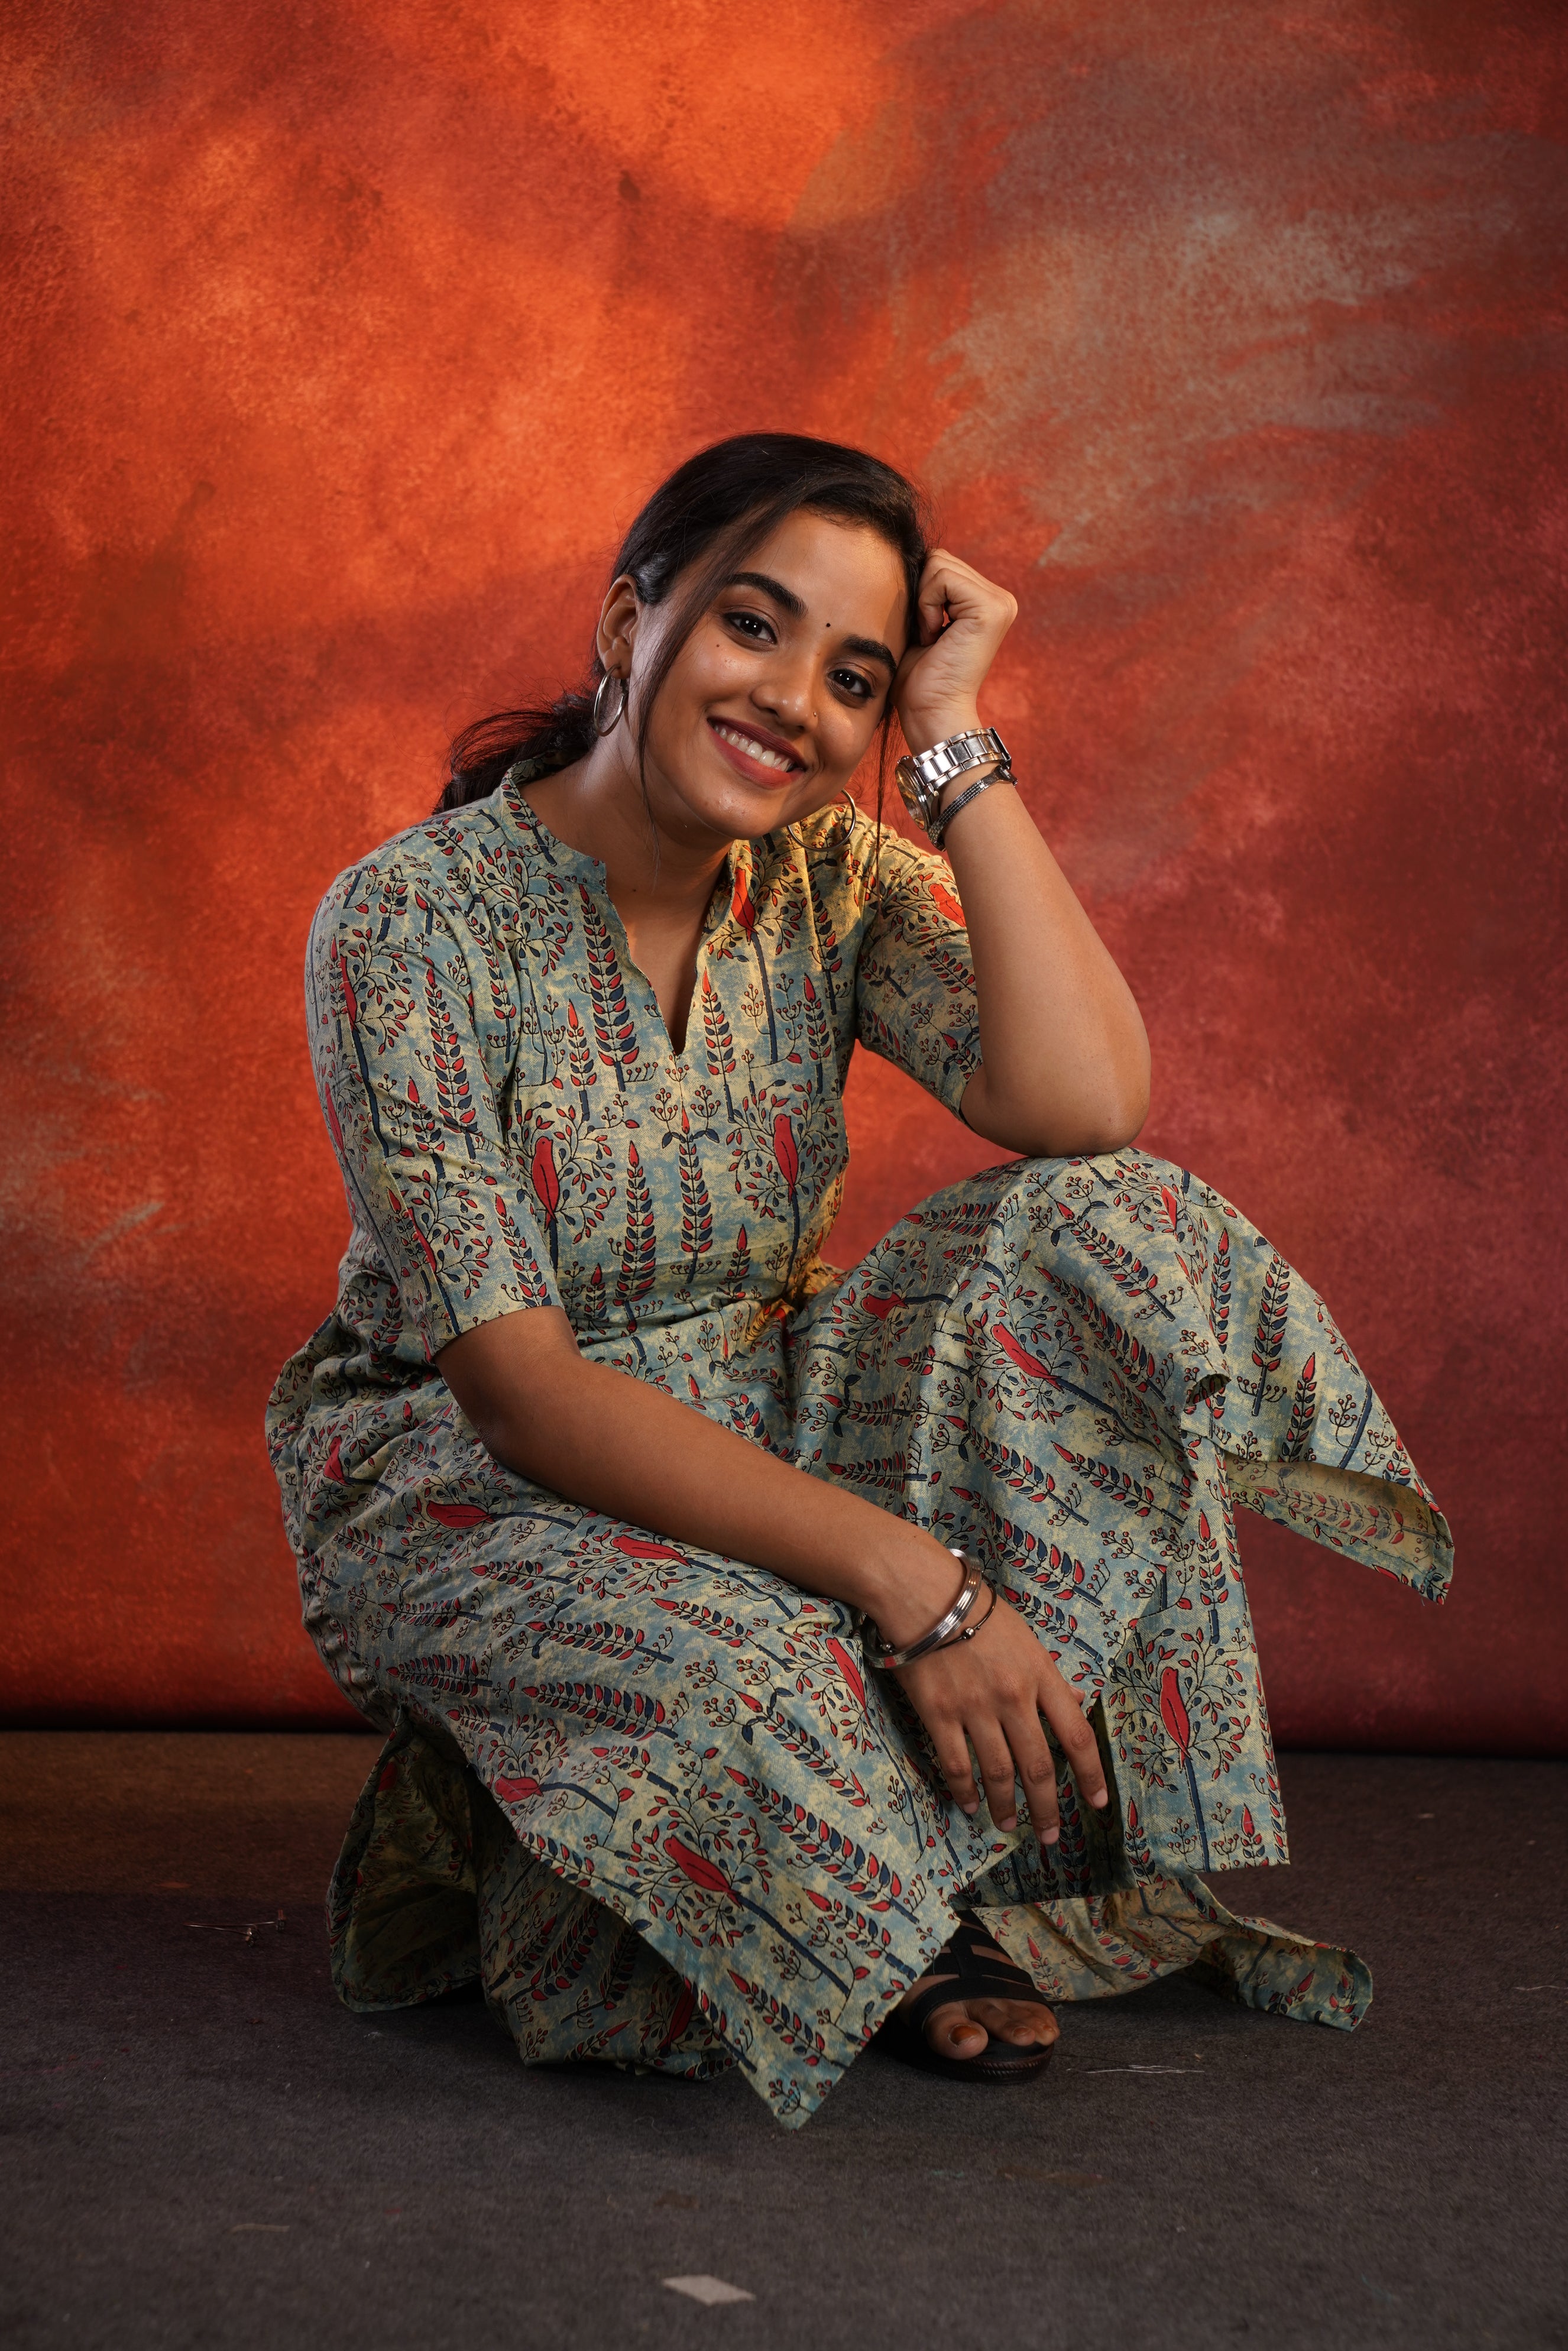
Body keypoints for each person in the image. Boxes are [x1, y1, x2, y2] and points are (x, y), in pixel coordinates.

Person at [267, 433, 1452, 2127]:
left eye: (855, 678)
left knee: (1105, 1223)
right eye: (753, 626)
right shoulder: (410, 925)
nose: (793, 703)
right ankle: (885, 1908)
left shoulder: (832, 880)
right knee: (753, 1670)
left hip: (770, 1408)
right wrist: (925, 1588)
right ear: (630, 624)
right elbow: (518, 1391)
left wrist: (953, 734)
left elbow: (1083, 1107)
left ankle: (828, 1851)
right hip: (472, 1478)